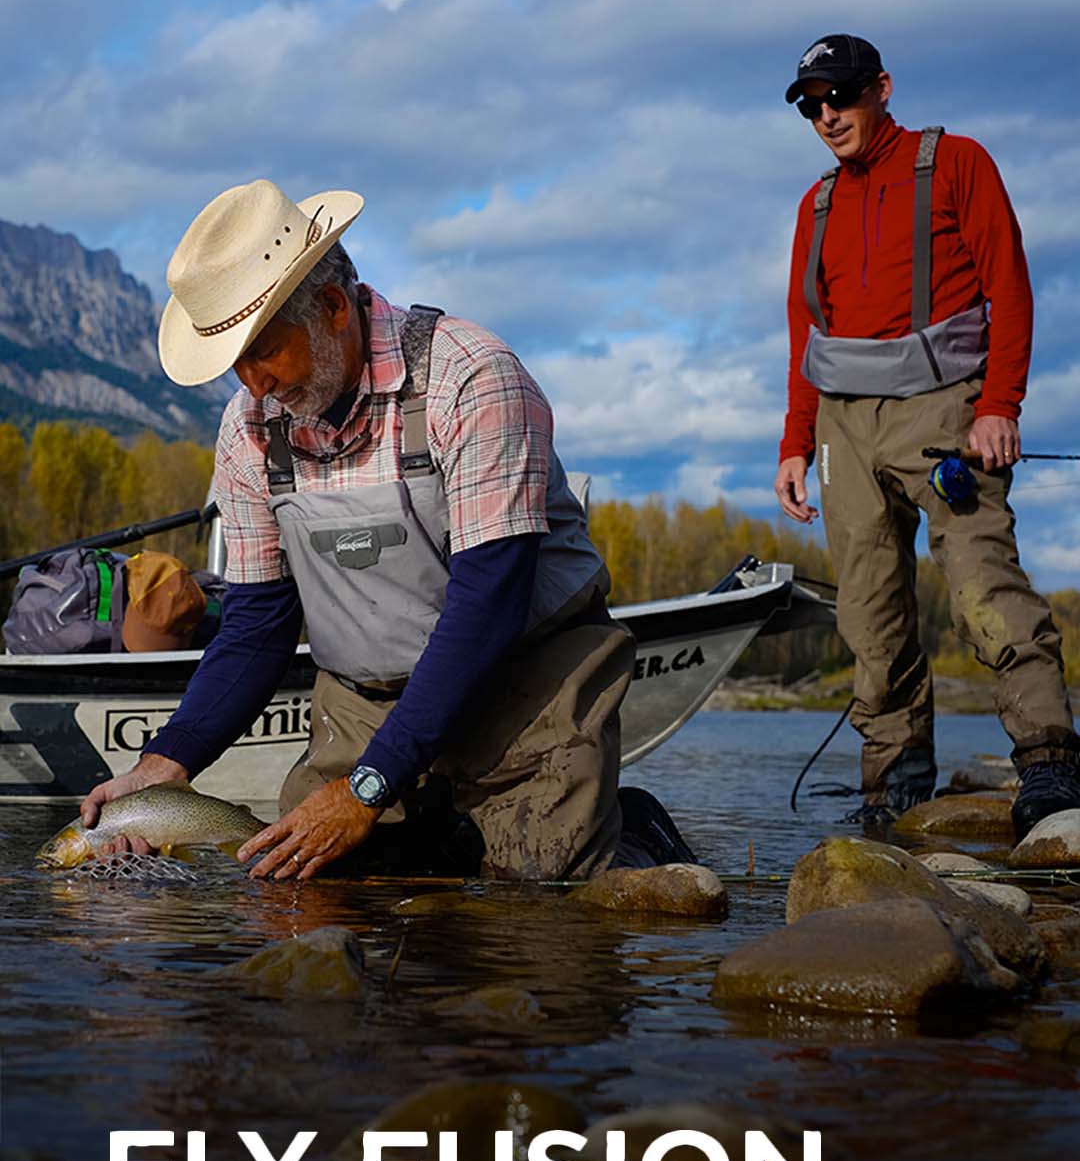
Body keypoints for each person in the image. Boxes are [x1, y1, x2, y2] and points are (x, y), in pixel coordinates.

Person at [80, 179, 692, 880]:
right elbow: (256, 629)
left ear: (334, 308)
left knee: (536, 899)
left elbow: (485, 610)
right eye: (234, 365)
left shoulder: (472, 379)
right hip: (364, 697)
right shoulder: (247, 430)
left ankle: (635, 836)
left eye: (264, 353)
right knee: (298, 897)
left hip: (525, 675)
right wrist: (164, 766)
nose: (252, 385)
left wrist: (369, 788)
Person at [774, 33, 1080, 834]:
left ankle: (1048, 764)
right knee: (870, 617)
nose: (826, 115)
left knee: (983, 585)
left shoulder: (957, 162)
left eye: (839, 96)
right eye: (812, 105)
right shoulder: (816, 204)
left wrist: (1000, 405)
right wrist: (794, 445)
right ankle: (895, 792)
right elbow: (805, 332)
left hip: (946, 407)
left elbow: (1010, 287)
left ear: (882, 87)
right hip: (842, 420)